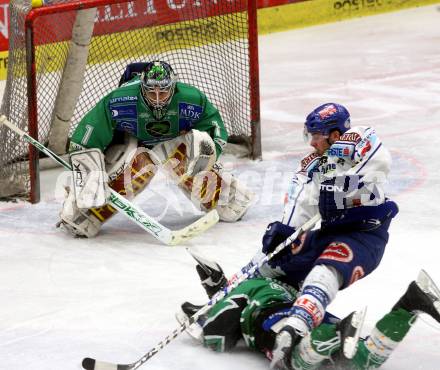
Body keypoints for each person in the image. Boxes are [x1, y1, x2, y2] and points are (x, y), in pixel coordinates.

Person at [57, 60, 253, 237]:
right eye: (151, 92)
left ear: (173, 88)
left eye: (163, 92)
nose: (157, 99)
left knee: (187, 150)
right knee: (140, 162)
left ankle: (223, 195)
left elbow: (215, 129)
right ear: (142, 88)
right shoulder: (119, 100)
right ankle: (85, 212)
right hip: (133, 144)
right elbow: (84, 140)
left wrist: (208, 153)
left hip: (174, 142)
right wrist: (88, 176)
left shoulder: (191, 100)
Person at [178, 269, 440, 370]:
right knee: (364, 360)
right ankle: (411, 303)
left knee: (292, 362)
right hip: (306, 311)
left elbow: (218, 338)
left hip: (273, 317)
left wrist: (202, 326)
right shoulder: (267, 282)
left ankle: (335, 333)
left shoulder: (240, 291)